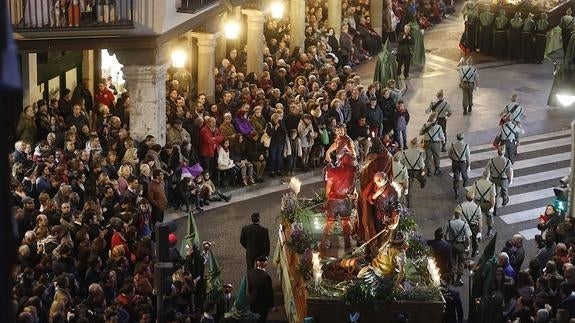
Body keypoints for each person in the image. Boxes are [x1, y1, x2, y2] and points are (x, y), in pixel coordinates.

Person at [444, 208, 472, 286]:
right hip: (461, 245)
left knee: (452, 263)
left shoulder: (449, 223)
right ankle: (458, 280)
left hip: (452, 244)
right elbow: (467, 238)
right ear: (461, 214)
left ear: (454, 214)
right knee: (461, 263)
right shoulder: (464, 224)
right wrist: (467, 247)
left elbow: (445, 236)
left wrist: (448, 241)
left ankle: (452, 279)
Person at [247, 256, 275, 323]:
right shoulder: (266, 276)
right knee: (262, 319)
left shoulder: (250, 272)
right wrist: (272, 305)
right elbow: (269, 292)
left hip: (252, 301)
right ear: (265, 263)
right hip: (262, 304)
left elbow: (249, 287)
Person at [400, 137, 426, 207]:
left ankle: (408, 201)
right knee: (423, 179)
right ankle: (422, 183)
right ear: (416, 144)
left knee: (409, 187)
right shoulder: (419, 153)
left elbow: (402, 162)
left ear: (410, 144)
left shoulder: (404, 153)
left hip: (408, 171)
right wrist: (422, 171)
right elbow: (421, 164)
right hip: (416, 171)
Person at [455, 190, 482, 257]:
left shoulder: (460, 206)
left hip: (464, 225)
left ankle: (466, 249)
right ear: (473, 198)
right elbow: (480, 221)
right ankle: (474, 252)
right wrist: (480, 231)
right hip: (474, 226)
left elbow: (457, 217)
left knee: (464, 238)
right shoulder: (477, 207)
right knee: (475, 240)